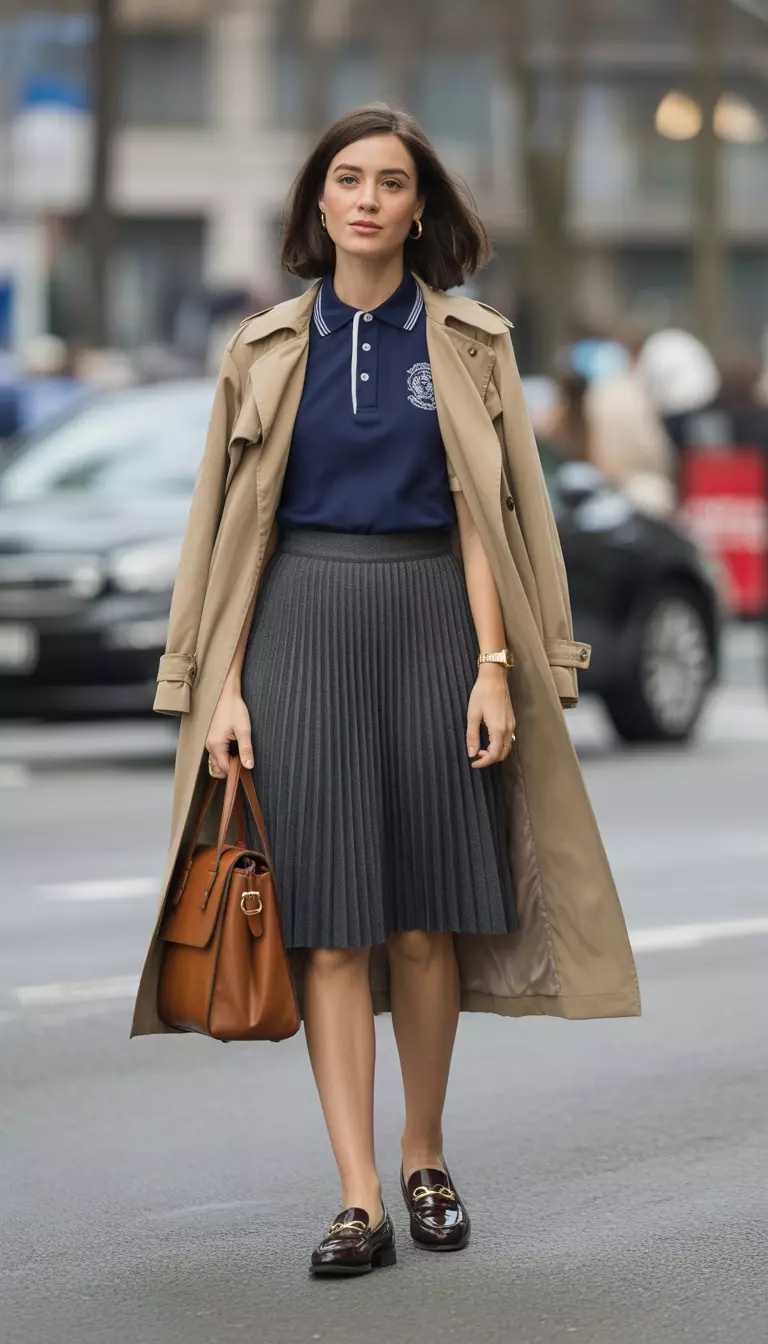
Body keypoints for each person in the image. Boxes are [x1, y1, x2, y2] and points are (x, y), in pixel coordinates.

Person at [130, 104, 639, 1278]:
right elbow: (220, 531)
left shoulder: (470, 345)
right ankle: (357, 1197)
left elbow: (492, 515)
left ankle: (425, 1160)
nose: (367, 198)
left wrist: (500, 667)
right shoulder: (260, 347)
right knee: (331, 929)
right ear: (318, 203)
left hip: (433, 632)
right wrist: (219, 690)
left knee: (422, 922)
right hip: (296, 632)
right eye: (347, 179)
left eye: (391, 182)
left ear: (421, 207)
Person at [584, 323, 677, 519]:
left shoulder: (598, 391)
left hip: (610, 488)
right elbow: (655, 449)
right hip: (647, 488)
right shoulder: (642, 392)